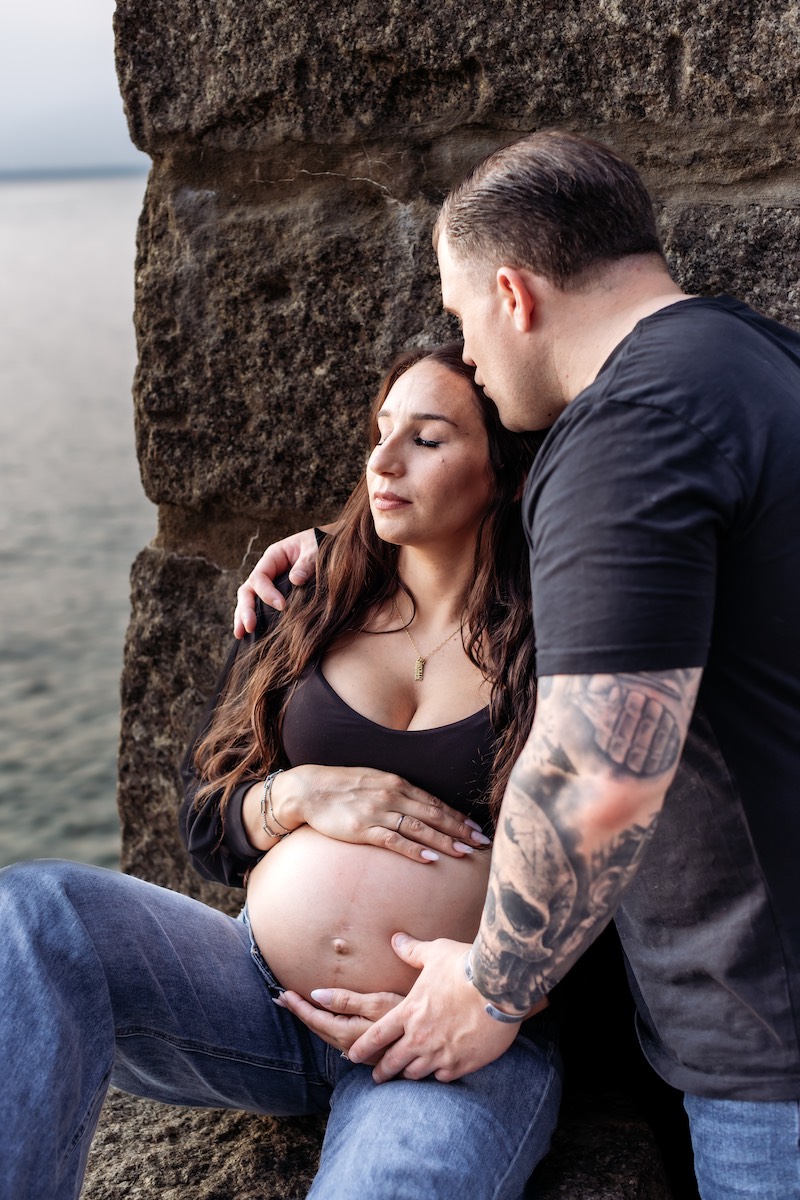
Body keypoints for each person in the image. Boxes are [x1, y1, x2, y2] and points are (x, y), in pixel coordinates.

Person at [234, 131, 800, 1199]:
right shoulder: (756, 363)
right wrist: (351, 542)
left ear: (512, 293)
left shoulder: (626, 431)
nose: (470, 356)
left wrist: (493, 988)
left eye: (460, 318)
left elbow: (599, 758)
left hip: (771, 1053)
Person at [0, 342, 563, 1200]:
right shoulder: (309, 601)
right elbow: (204, 815)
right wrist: (295, 795)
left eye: (429, 439)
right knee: (35, 913)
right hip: (253, 992)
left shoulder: (558, 640)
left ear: (505, 474)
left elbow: (616, 864)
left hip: (449, 1039)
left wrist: (501, 995)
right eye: (380, 432)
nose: (382, 461)